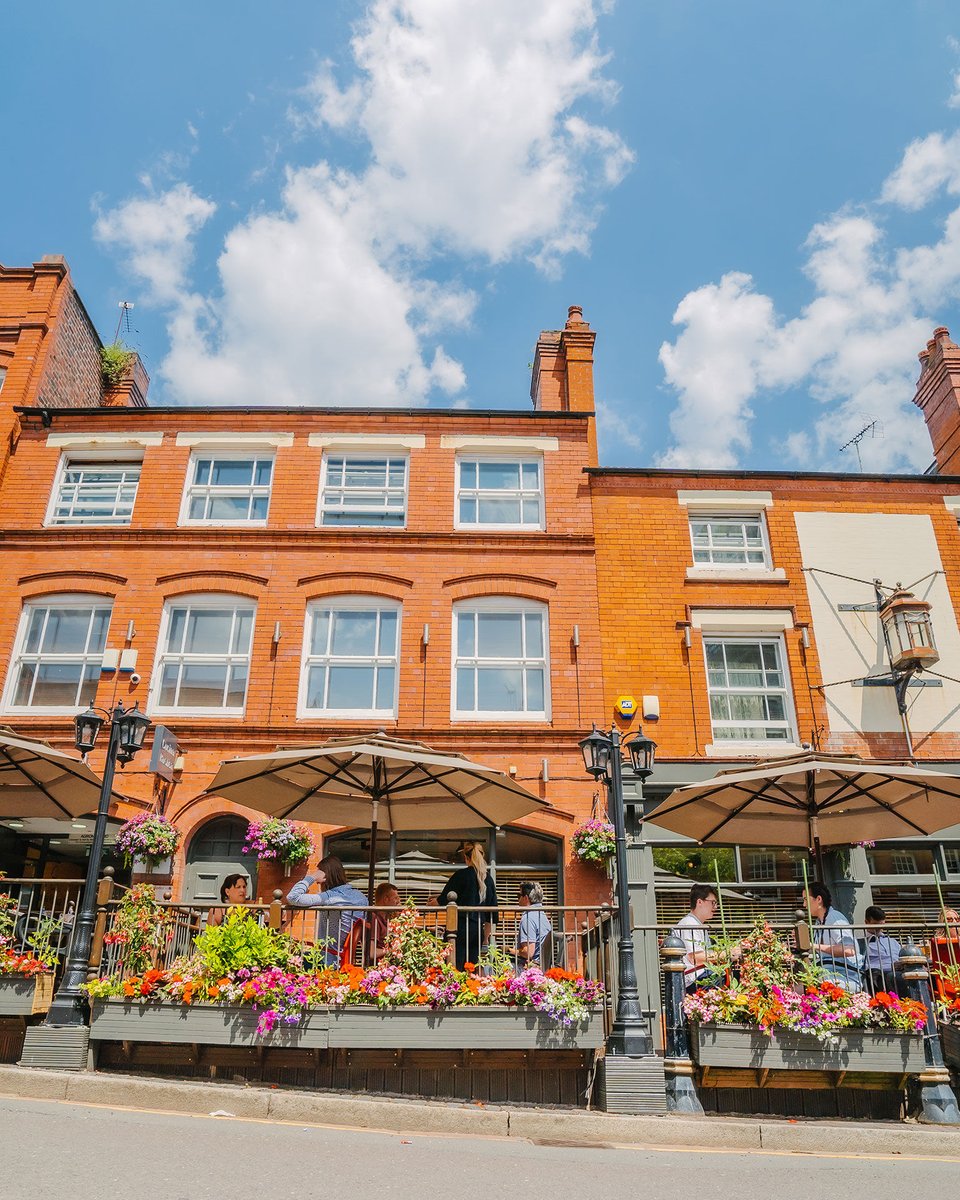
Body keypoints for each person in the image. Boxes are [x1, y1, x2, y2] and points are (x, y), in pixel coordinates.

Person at [286, 855, 367, 966]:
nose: (320, 886)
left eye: (319, 883)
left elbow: (293, 897)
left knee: (286, 960)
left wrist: (312, 877)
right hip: (342, 959)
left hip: (326, 960)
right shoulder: (361, 897)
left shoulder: (332, 898)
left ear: (326, 878)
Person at [435, 840, 498, 969]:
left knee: (453, 965)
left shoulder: (461, 875)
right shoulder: (488, 880)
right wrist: (485, 938)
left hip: (459, 928)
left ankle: (453, 988)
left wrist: (432, 903)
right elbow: (491, 914)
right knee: (472, 966)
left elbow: (444, 899)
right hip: (477, 931)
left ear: (466, 857)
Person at [806, 882, 862, 991]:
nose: (804, 905)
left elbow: (849, 950)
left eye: (805, 899)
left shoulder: (834, 918)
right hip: (829, 974)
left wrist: (814, 945)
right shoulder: (819, 923)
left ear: (818, 899)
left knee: (811, 986)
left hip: (846, 977)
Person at [672, 883, 727, 993]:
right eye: (713, 902)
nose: (715, 907)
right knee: (725, 978)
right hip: (693, 978)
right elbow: (695, 957)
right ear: (699, 902)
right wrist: (726, 954)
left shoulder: (698, 925)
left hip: (701, 974)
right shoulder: (689, 924)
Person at [861, 905, 902, 994]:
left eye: (882, 925)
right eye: (876, 924)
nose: (880, 928)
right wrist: (890, 967)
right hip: (883, 976)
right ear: (866, 922)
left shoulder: (892, 941)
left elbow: (904, 957)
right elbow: (863, 967)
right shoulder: (863, 944)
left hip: (902, 972)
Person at [512, 881, 552, 970]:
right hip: (542, 965)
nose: (518, 899)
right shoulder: (543, 916)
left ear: (526, 898)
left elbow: (528, 952)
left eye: (519, 896)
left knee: (487, 968)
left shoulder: (527, 918)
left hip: (528, 967)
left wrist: (509, 950)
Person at [368, 882, 402, 964]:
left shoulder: (387, 918)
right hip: (380, 967)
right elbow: (371, 952)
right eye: (396, 898)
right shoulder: (373, 918)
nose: (398, 902)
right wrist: (393, 950)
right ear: (386, 899)